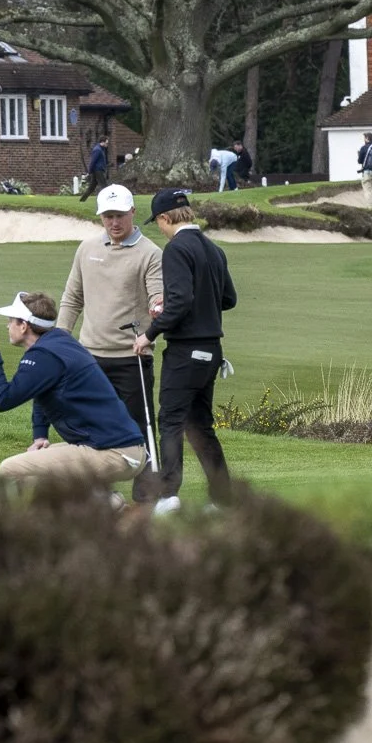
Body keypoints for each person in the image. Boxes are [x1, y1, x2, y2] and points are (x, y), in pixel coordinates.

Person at [0, 292, 149, 489]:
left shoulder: (44, 355)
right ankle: (109, 506)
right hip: (123, 449)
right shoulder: (58, 342)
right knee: (36, 462)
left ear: (24, 326)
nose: (8, 326)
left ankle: (103, 505)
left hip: (114, 453)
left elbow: (2, 400)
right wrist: (40, 435)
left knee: (11, 469)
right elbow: (43, 391)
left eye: (11, 321)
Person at [131, 189, 237, 514]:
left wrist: (148, 334)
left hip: (186, 352)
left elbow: (180, 301)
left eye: (159, 223)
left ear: (165, 218)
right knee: (200, 424)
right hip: (211, 351)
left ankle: (168, 496)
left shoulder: (176, 249)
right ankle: (222, 499)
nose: (160, 229)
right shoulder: (214, 249)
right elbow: (228, 299)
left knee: (171, 422)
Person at [56, 184, 163, 500]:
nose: (113, 222)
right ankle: (100, 491)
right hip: (89, 357)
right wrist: (61, 341)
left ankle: (146, 496)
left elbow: (157, 295)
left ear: (133, 212)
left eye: (119, 215)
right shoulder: (87, 248)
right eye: (107, 216)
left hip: (132, 356)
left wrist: (158, 308)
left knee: (138, 429)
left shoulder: (150, 253)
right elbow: (72, 297)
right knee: (91, 428)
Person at [79, 135, 111, 201]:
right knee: (104, 186)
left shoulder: (101, 149)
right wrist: (89, 172)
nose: (107, 144)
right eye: (106, 143)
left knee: (92, 187)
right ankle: (108, 200)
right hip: (98, 171)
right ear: (102, 142)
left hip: (98, 170)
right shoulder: (97, 150)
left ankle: (82, 200)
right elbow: (92, 161)